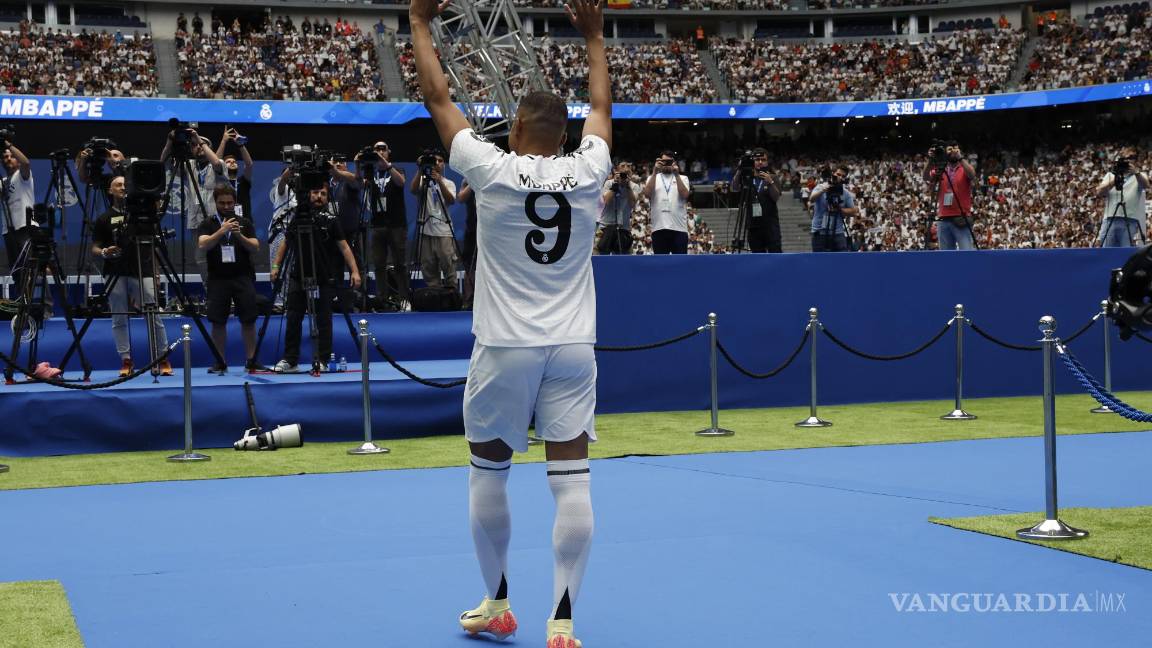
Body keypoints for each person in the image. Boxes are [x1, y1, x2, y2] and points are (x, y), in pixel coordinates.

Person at [409, 0, 610, 645]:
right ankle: (564, 620)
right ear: (566, 134)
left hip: (504, 346)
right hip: (573, 344)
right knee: (571, 478)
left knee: (488, 470)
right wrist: (596, 39)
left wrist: (418, 22)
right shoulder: (588, 171)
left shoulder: (491, 168)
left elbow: (438, 99)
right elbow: (604, 113)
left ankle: (497, 605)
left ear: (516, 129)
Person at [269, 185, 361, 374]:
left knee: (323, 321)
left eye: (323, 194)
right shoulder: (298, 219)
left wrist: (355, 271)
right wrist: (276, 267)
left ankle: (323, 360)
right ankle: (290, 360)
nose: (319, 196)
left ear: (327, 198)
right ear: (308, 194)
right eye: (315, 192)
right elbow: (286, 243)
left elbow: (344, 247)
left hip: (324, 277)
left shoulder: (332, 221)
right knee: (293, 317)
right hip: (298, 275)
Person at [90, 176, 172, 376]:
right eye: (117, 184)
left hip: (142, 270)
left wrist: (156, 271)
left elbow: (152, 239)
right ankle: (126, 360)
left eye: (125, 184)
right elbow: (95, 247)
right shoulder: (103, 218)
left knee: (153, 315)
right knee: (119, 317)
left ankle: (162, 358)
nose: (122, 187)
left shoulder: (142, 215)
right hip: (114, 272)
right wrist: (104, 252)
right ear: (110, 191)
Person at [197, 185, 263, 374]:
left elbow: (255, 246)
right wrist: (221, 231)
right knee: (218, 321)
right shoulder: (208, 223)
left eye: (230, 203)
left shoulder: (244, 222)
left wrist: (238, 235)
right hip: (218, 278)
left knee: (248, 320)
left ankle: (251, 360)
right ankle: (220, 361)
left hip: (243, 276)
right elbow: (202, 244)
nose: (226, 206)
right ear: (215, 203)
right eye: (222, 203)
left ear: (235, 202)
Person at [362, 142, 409, 309]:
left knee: (400, 264)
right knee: (379, 264)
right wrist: (359, 163)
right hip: (377, 225)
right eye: (377, 149)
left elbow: (401, 182)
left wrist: (387, 166)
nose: (380, 151)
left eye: (383, 149)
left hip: (396, 224)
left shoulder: (396, 170)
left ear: (389, 152)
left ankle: (404, 298)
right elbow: (359, 184)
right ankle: (382, 299)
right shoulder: (371, 174)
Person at [409, 150, 458, 290]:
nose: (437, 163)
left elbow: (451, 200)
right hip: (426, 231)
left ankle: (451, 295)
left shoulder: (449, 183)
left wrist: (439, 182)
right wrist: (420, 169)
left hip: (444, 232)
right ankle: (434, 295)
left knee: (449, 265)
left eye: (440, 161)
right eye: (434, 160)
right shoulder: (423, 182)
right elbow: (413, 190)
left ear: (444, 165)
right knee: (428, 268)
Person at [923, 141, 976, 250]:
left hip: (961, 218)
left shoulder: (963, 168)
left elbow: (972, 174)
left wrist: (960, 157)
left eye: (955, 149)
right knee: (946, 257)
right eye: (950, 149)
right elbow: (926, 177)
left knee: (966, 253)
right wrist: (930, 160)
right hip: (944, 218)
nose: (953, 152)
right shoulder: (941, 169)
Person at [1094, 147, 1148, 247]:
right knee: (1106, 251)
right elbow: (1099, 192)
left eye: (1131, 158)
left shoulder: (1140, 175)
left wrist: (1136, 172)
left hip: (1130, 219)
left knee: (1125, 252)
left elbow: (1146, 185)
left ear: (1135, 160)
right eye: (1125, 158)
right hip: (1110, 218)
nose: (1128, 161)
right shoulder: (1110, 175)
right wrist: (1114, 180)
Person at [730, 148, 782, 253]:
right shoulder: (747, 178)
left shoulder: (773, 177)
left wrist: (770, 182)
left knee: (775, 254)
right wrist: (740, 169)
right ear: (753, 161)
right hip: (753, 225)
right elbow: (734, 188)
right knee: (757, 257)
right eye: (757, 159)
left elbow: (776, 198)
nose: (760, 162)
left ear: (767, 162)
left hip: (770, 225)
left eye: (763, 159)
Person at [643, 151, 692, 254]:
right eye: (664, 161)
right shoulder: (652, 178)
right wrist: (654, 172)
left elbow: (685, 195)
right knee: (660, 265)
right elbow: (647, 194)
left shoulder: (683, 178)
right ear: (659, 161)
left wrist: (677, 174)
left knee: (680, 263)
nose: (666, 164)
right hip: (659, 228)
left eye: (669, 161)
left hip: (679, 228)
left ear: (674, 162)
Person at [2, 141, 34, 281]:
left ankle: (44, 302)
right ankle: (21, 302)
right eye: (5, 157)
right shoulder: (2, 181)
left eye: (11, 156)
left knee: (32, 269)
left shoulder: (23, 176)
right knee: (17, 272)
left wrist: (8, 145)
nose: (8, 158)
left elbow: (26, 162)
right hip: (8, 231)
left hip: (25, 227)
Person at [809, 166, 859, 252]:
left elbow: (854, 212)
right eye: (838, 174)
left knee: (841, 260)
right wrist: (823, 191)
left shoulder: (845, 193)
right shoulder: (821, 187)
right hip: (819, 231)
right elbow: (811, 199)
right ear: (833, 174)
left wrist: (840, 210)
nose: (840, 177)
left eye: (843, 176)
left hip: (837, 232)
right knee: (819, 260)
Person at [597, 161, 639, 255]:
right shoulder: (609, 183)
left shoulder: (634, 186)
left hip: (624, 228)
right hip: (606, 227)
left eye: (628, 166)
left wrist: (628, 186)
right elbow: (606, 201)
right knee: (602, 258)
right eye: (623, 166)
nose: (626, 168)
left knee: (625, 260)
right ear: (616, 170)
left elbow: (632, 203)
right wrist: (615, 184)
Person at [215, 127, 254, 220]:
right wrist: (224, 141)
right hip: (223, 222)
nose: (232, 162)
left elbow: (249, 164)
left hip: (244, 222)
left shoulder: (244, 181)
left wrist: (241, 145)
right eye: (228, 161)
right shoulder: (219, 181)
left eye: (234, 161)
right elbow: (215, 162)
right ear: (223, 165)